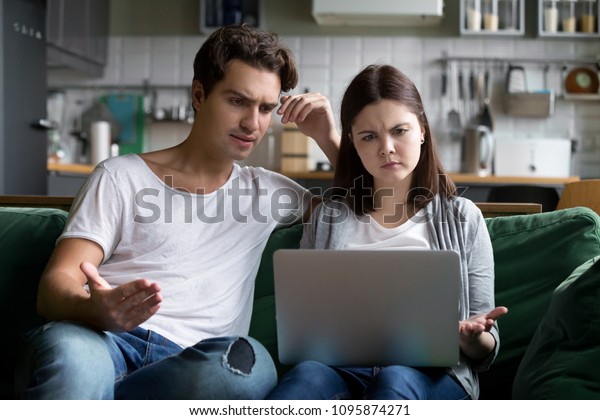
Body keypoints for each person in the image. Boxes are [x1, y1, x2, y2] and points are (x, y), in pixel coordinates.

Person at [16, 25, 339, 400]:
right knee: (74, 362)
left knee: (249, 368)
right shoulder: (121, 175)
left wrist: (329, 139)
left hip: (194, 363)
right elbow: (54, 286)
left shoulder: (268, 191)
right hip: (101, 340)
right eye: (237, 102)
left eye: (266, 108)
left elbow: (367, 213)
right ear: (199, 95)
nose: (253, 124)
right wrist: (92, 309)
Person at [267, 64, 508, 400]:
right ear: (351, 141)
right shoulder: (329, 219)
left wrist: (471, 337)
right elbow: (304, 325)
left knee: (394, 383)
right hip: (338, 368)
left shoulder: (462, 219)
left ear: (422, 130)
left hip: (433, 375)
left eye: (400, 130)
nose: (386, 148)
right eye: (369, 136)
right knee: (304, 381)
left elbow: (486, 349)